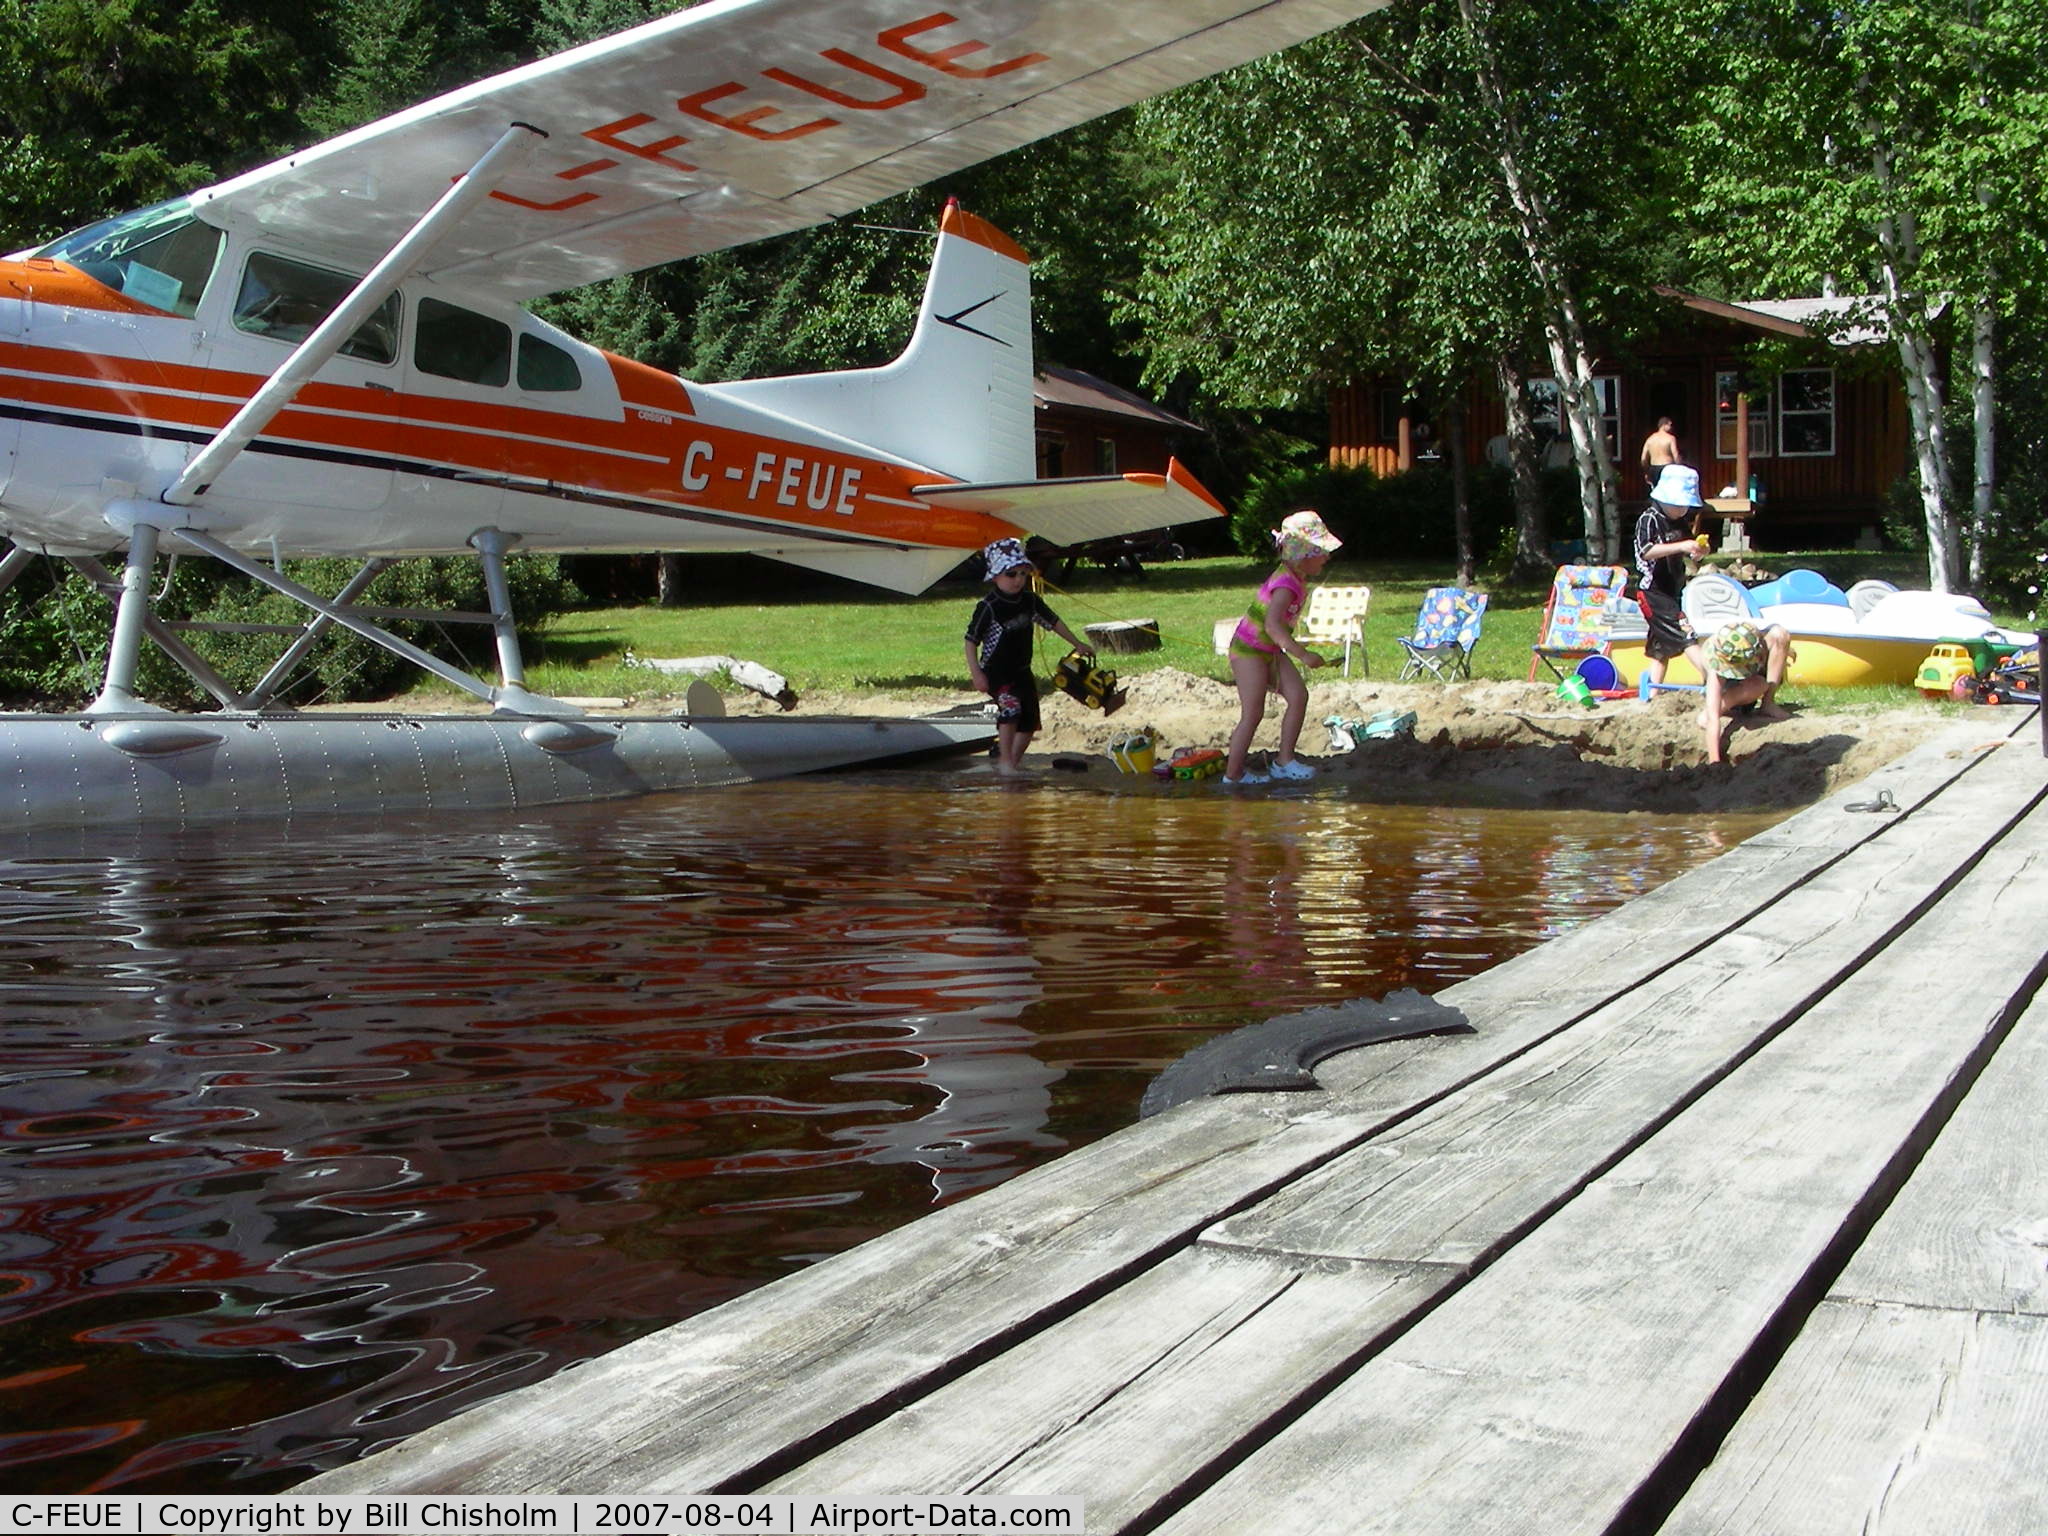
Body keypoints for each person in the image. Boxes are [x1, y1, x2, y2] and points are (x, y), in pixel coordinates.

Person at [1222, 509, 1342, 786]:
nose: (1327, 557)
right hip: (1249, 652)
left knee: (1298, 696)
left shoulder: (1298, 579)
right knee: (1253, 713)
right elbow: (1273, 626)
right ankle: (1233, 775)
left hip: (1270, 651)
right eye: (1322, 551)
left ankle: (1284, 761)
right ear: (1304, 555)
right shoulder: (1286, 583)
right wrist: (1303, 654)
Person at [964, 538, 1092, 776]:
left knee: (1030, 721)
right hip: (996, 671)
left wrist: (1077, 643)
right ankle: (1005, 763)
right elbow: (970, 641)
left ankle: (1011, 762)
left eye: (1023, 574)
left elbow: (1053, 622)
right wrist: (977, 674)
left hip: (1022, 670)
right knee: (1011, 709)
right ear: (995, 577)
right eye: (1011, 574)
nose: (1018, 580)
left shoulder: (1029, 600)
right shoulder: (989, 606)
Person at [1633, 463, 1712, 685]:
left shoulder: (1678, 521)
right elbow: (1646, 551)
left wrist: (1698, 551)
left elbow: (1689, 548)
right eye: (1679, 505)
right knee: (1684, 632)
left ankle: (1652, 694)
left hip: (1672, 588)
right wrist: (1681, 546)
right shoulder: (1649, 519)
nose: (1683, 510)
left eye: (1687, 506)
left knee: (1660, 648)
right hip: (1653, 591)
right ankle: (1712, 676)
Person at [1688, 618, 1792, 764]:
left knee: (1780, 634)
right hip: (1731, 689)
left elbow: (1776, 640)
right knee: (1759, 685)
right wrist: (1714, 761)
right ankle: (1722, 707)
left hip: (1748, 674)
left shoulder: (1753, 641)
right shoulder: (1717, 665)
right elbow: (1712, 720)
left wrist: (1784, 651)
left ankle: (1768, 704)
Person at [1640, 415, 1683, 481]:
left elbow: (1643, 459)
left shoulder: (1650, 439)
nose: (1671, 427)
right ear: (1664, 425)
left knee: (1656, 490)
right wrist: (1680, 467)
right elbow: (1676, 455)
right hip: (1668, 468)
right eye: (1669, 425)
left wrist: (1647, 472)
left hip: (1654, 469)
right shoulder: (1671, 438)